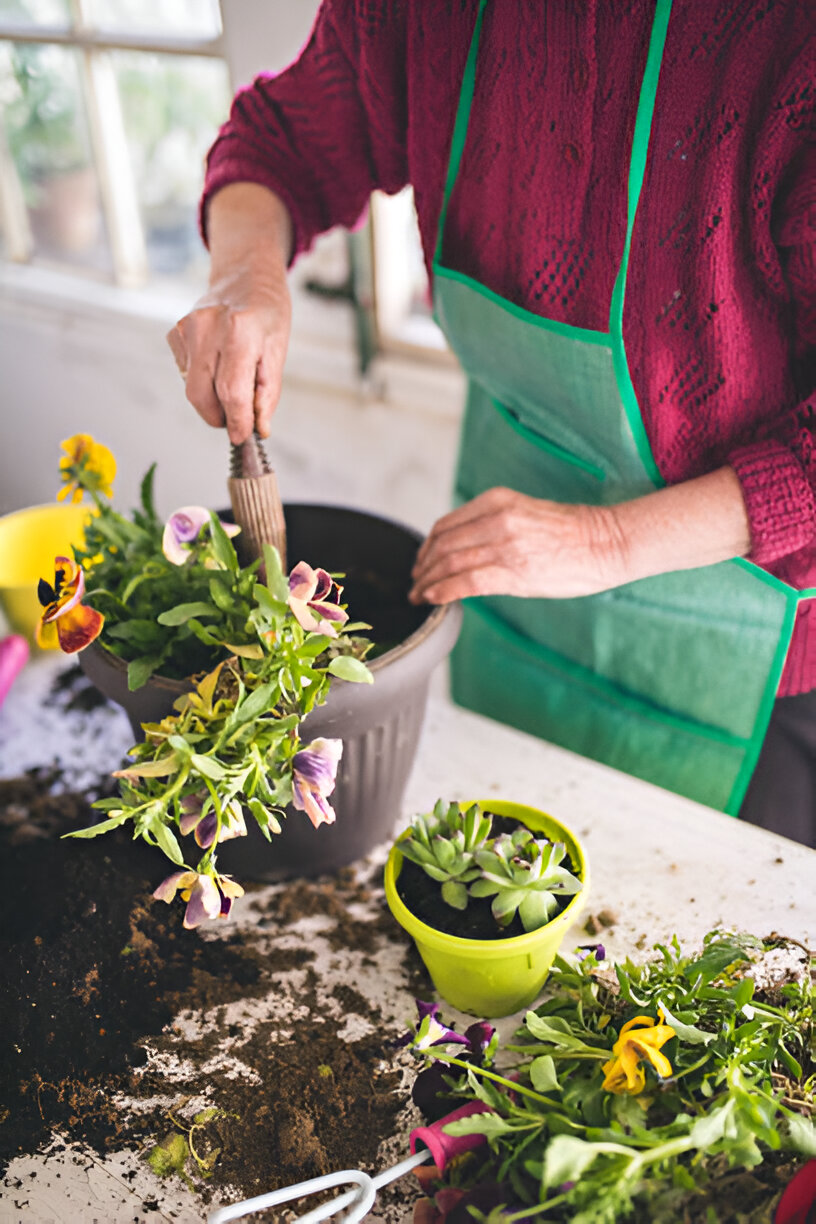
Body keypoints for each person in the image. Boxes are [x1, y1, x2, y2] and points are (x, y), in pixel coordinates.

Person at [167, 1, 816, 847]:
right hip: (510, 589)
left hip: (751, 656)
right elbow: (279, 140)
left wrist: (603, 542)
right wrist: (243, 276)